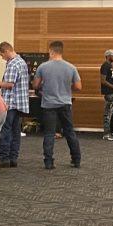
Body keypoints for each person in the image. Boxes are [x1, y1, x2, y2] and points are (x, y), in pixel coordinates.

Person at [32, 41, 81, 170]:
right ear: (61, 51)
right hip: (65, 103)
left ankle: (49, 162)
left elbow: (35, 85)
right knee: (70, 132)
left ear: (51, 51)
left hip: (49, 104)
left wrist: (45, 86)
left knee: (49, 133)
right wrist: (65, 87)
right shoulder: (71, 67)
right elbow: (78, 87)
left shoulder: (43, 67)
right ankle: (76, 159)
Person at [0, 42, 29, 168]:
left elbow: (9, 84)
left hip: (10, 103)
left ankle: (4, 158)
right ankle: (13, 158)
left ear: (6, 51)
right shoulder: (21, 62)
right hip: (20, 103)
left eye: (1, 55)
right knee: (16, 131)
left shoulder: (13, 64)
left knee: (5, 131)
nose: (2, 57)